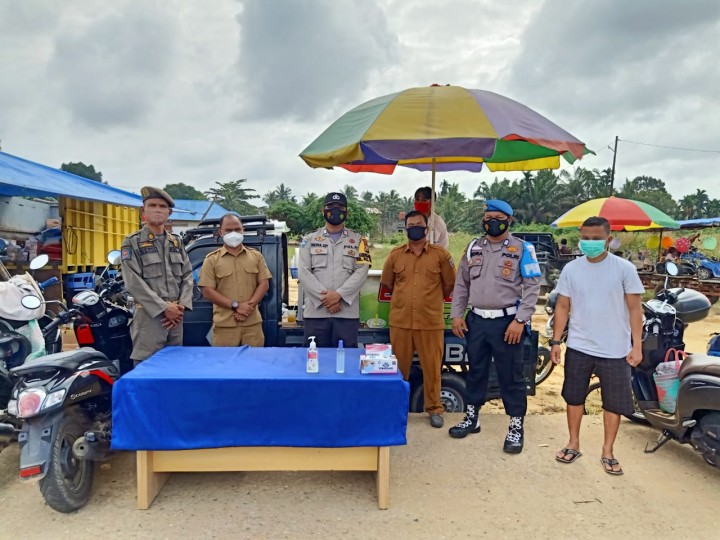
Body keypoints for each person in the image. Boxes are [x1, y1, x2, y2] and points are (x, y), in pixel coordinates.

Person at [550, 216, 644, 475]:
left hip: (615, 350)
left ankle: (608, 451)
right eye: (585, 238)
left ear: (609, 239)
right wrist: (556, 341)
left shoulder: (624, 269)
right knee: (573, 396)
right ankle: (573, 443)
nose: (589, 243)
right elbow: (563, 306)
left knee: (613, 403)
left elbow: (635, 310)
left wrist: (637, 346)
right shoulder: (572, 269)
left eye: (596, 239)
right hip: (579, 346)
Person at [448, 199, 541, 453]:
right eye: (488, 218)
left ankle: (515, 426)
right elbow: (461, 285)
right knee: (475, 371)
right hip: (476, 321)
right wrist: (457, 314)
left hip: (507, 323)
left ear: (509, 221)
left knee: (511, 375)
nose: (492, 223)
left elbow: (533, 287)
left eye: (498, 218)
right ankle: (472, 417)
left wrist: (520, 320)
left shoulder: (522, 249)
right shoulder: (473, 248)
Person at [381, 210, 455, 428]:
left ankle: (434, 409)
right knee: (398, 370)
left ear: (427, 228)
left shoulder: (441, 255)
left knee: (432, 369)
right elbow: (388, 283)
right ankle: (397, 410)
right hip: (401, 321)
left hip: (430, 322)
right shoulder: (395, 255)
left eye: (418, 224)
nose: (415, 228)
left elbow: (449, 284)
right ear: (405, 229)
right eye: (410, 225)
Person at [121, 187, 193, 365]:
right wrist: (163, 308)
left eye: (162, 206)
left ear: (169, 212)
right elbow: (133, 281)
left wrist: (181, 306)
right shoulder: (132, 242)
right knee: (147, 368)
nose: (157, 209)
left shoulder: (176, 241)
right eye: (152, 205)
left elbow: (187, 276)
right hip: (149, 317)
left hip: (175, 318)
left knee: (174, 366)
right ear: (143, 211)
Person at [298, 192, 370, 347]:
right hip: (316, 313)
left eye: (340, 207)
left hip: (346, 313)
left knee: (346, 361)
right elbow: (303, 272)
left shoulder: (359, 240)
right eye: (331, 206)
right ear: (323, 211)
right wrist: (327, 300)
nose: (336, 210)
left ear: (347, 212)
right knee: (314, 361)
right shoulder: (309, 239)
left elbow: (362, 271)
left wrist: (339, 295)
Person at [198, 214, 272, 347]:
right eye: (228, 230)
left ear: (243, 230)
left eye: (237, 229)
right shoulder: (211, 260)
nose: (234, 233)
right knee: (226, 366)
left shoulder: (256, 256)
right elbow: (207, 291)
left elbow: (264, 283)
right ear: (221, 232)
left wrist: (247, 308)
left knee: (254, 364)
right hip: (225, 327)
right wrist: (236, 306)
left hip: (252, 325)